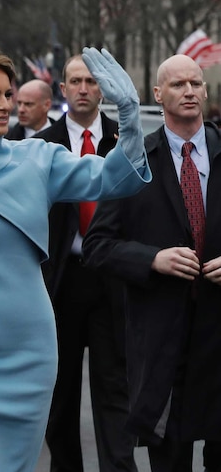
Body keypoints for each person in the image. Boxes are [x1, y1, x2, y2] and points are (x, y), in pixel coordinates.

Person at [0, 46, 150, 472]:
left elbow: (114, 178)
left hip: (32, 354)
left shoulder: (37, 159)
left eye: (8, 95)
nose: (6, 106)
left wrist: (131, 114)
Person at [83, 54, 221, 472]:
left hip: (218, 337)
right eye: (178, 85)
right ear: (157, 95)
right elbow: (97, 245)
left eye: (196, 84)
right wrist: (152, 259)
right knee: (169, 458)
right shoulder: (134, 159)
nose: (189, 92)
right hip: (162, 338)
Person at [34, 54, 137, 472]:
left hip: (112, 277)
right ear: (62, 89)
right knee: (61, 393)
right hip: (62, 280)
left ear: (103, 89)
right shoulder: (41, 145)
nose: (82, 89)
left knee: (115, 388)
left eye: (91, 82)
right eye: (74, 81)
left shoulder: (124, 137)